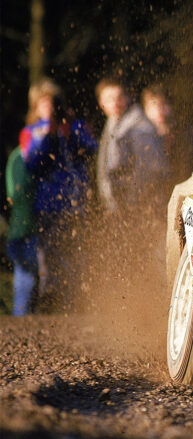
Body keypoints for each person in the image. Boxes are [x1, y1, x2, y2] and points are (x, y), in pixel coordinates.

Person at [20, 78, 97, 306]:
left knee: (76, 254)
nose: (49, 108)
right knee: (48, 256)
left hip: (75, 202)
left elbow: (92, 149)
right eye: (43, 104)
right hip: (47, 204)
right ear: (35, 106)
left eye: (52, 103)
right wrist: (46, 136)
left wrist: (68, 134)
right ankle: (50, 301)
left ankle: (78, 301)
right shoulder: (31, 132)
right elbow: (31, 163)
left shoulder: (75, 126)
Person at [96, 77, 168, 215]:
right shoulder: (113, 123)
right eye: (109, 99)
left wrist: (132, 203)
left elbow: (148, 170)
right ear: (101, 102)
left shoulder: (140, 127)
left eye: (119, 97)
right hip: (119, 204)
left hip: (138, 206)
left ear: (128, 97)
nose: (115, 103)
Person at [142, 84, 193, 183]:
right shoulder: (141, 139)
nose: (159, 110)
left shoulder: (185, 135)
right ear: (145, 109)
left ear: (171, 106)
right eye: (153, 105)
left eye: (163, 104)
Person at [6, 145, 38, 315]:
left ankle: (24, 316)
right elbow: (17, 194)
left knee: (26, 277)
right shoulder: (21, 157)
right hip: (24, 229)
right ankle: (22, 316)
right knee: (26, 278)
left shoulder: (24, 155)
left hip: (25, 227)